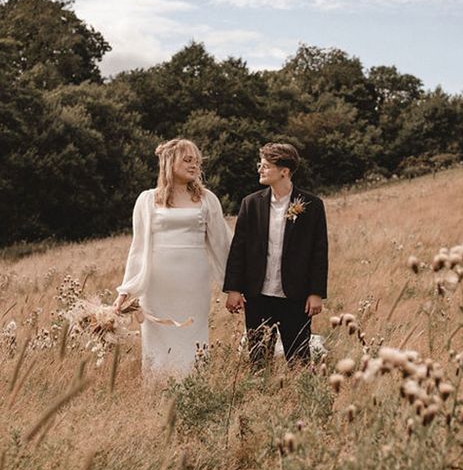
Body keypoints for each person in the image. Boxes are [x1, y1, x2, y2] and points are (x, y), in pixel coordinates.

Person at [114, 138, 232, 378]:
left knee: (192, 333)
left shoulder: (207, 199)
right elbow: (138, 249)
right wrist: (125, 292)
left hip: (193, 281)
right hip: (158, 283)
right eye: (187, 160)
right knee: (158, 335)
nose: (194, 165)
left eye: (197, 161)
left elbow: (222, 243)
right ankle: (159, 388)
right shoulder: (147, 200)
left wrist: (234, 287)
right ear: (169, 163)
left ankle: (194, 384)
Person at [224, 142, 328, 365]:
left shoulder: (313, 205)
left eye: (266, 166)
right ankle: (260, 398)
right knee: (258, 359)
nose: (260, 170)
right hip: (257, 294)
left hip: (296, 296)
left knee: (299, 359)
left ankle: (296, 397)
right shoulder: (250, 204)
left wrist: (316, 293)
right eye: (260, 165)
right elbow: (238, 249)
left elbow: (319, 252)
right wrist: (233, 289)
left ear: (284, 171)